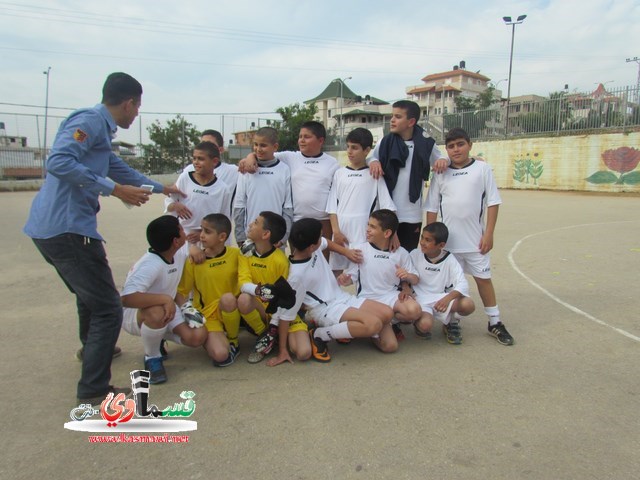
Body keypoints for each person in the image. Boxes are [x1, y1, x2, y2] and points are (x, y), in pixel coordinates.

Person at [23, 72, 183, 404]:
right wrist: (114, 189)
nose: (136, 114)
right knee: (109, 308)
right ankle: (94, 389)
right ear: (129, 103)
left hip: (55, 228)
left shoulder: (100, 131)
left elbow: (117, 167)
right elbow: (59, 161)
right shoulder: (90, 122)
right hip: (68, 229)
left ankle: (95, 350)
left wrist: (161, 187)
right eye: (137, 108)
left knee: (90, 296)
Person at [424, 127, 514, 345]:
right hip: (449, 245)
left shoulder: (482, 169)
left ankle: (495, 321)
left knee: (484, 280)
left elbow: (492, 202)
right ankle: (451, 321)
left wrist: (489, 234)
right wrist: (432, 241)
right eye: (451, 146)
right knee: (449, 285)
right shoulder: (440, 172)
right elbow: (432, 207)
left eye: (460, 144)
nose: (456, 150)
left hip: (475, 242)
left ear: (470, 145)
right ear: (447, 149)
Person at [283, 218, 395, 363]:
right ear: (311, 246)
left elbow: (326, 242)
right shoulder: (296, 276)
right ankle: (319, 334)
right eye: (320, 236)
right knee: (373, 324)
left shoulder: (311, 248)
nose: (322, 238)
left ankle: (348, 329)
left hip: (341, 297)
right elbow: (287, 311)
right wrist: (282, 351)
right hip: (325, 309)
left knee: (388, 328)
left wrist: (346, 252)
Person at [121, 216, 208, 384]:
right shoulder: (149, 265)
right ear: (176, 241)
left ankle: (157, 336)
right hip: (136, 315)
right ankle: (152, 357)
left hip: (168, 308)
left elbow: (172, 287)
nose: (185, 231)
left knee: (198, 336)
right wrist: (165, 299)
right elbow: (127, 299)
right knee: (156, 313)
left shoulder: (178, 252)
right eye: (181, 230)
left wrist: (186, 307)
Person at [238, 121, 339, 252]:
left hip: (322, 222)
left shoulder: (332, 163)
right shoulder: (289, 157)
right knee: (299, 263)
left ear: (321, 140)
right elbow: (264, 153)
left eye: (307, 137)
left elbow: (336, 196)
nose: (301, 140)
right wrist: (250, 157)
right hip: (297, 221)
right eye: (300, 136)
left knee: (323, 263)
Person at [368, 100, 448, 252]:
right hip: (386, 213)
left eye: (397, 117)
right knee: (384, 257)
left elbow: (442, 159)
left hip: (412, 215)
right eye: (392, 116)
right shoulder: (385, 142)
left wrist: (444, 160)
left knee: (407, 256)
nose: (392, 120)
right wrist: (374, 162)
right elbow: (371, 157)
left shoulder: (426, 143)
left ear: (411, 121)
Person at [237, 211, 311, 365]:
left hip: (281, 312)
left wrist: (275, 324)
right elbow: (243, 283)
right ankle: (263, 334)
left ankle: (277, 333)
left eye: (256, 222)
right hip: (261, 310)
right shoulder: (245, 253)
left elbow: (285, 299)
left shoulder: (280, 260)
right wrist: (259, 291)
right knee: (244, 299)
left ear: (265, 234)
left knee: (303, 353)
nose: (250, 224)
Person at [338, 209, 421, 344]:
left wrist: (407, 276)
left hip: (391, 296)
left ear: (387, 233)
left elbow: (416, 279)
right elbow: (350, 278)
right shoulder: (360, 249)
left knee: (414, 311)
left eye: (373, 227)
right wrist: (345, 279)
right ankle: (376, 323)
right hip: (367, 299)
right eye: (368, 225)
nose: (367, 230)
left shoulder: (401, 253)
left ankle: (385, 322)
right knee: (390, 346)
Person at [326, 127, 396, 275]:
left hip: (363, 231)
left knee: (362, 272)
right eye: (348, 147)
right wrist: (336, 231)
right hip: (341, 232)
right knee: (335, 274)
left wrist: (394, 235)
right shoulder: (339, 174)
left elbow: (387, 207)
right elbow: (332, 206)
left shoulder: (375, 175)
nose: (349, 151)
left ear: (367, 150)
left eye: (355, 148)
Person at [176, 213, 243, 365]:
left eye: (207, 232)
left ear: (222, 237)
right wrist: (186, 310)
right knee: (220, 356)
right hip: (209, 316)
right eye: (201, 230)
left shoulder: (236, 255)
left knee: (228, 299)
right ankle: (219, 339)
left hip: (233, 309)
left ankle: (234, 341)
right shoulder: (194, 260)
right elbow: (182, 292)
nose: (201, 236)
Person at [404, 222, 475, 344]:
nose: (422, 242)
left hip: (441, 298)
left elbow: (462, 283)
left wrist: (447, 298)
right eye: (422, 237)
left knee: (468, 304)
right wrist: (406, 288)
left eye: (427, 240)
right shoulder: (414, 254)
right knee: (425, 326)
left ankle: (451, 322)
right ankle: (418, 323)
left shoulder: (449, 259)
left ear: (441, 245)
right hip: (421, 300)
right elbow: (405, 275)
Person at [165, 141, 232, 262]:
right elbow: (169, 201)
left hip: (207, 243)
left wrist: (203, 233)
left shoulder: (223, 189)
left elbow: (224, 221)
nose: (196, 162)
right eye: (194, 158)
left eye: (201, 159)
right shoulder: (185, 178)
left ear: (214, 161)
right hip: (182, 240)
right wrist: (175, 205)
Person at [233, 127, 293, 247]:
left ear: (275, 147)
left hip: (275, 239)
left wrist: (283, 238)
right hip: (250, 237)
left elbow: (287, 207)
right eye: (255, 144)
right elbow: (239, 205)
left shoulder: (284, 169)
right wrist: (240, 236)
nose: (258, 149)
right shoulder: (246, 170)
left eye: (263, 145)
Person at [181, 129, 239, 196]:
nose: (204, 148)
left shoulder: (233, 171)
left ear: (221, 150)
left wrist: (250, 157)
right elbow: (173, 196)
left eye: (209, 144)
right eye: (202, 144)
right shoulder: (189, 170)